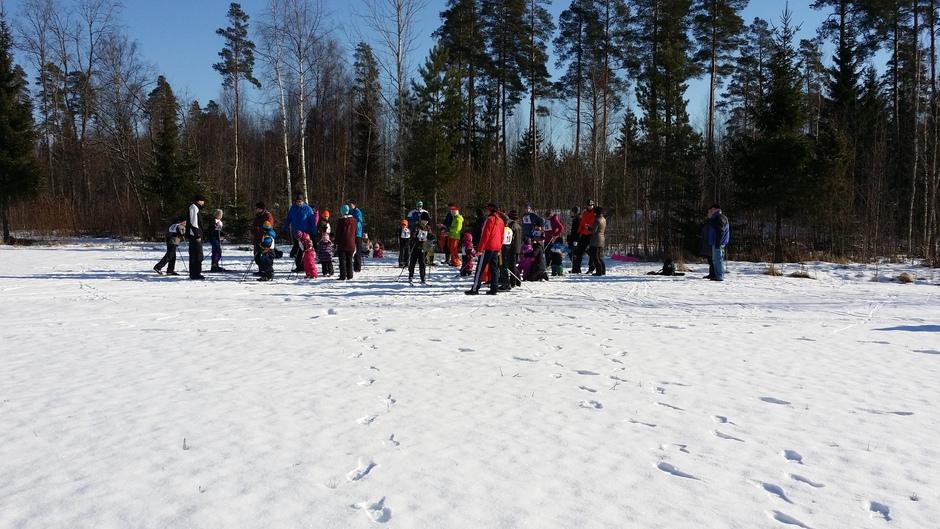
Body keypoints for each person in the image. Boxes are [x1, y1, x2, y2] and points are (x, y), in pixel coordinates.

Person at [466, 203, 505, 295]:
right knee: (494, 268)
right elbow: (502, 236)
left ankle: (475, 289)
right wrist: (499, 247)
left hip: (487, 247)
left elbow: (485, 235)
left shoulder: (490, 219)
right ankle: (494, 288)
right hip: (496, 247)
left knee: (480, 268)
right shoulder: (501, 221)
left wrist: (480, 248)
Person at [284, 193, 318, 273]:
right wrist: (285, 227)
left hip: (305, 234)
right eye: (297, 201)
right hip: (296, 233)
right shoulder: (293, 208)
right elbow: (288, 218)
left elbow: (312, 222)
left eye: (300, 201)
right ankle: (299, 266)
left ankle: (306, 266)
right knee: (298, 249)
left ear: (303, 201)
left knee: (306, 250)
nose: (298, 203)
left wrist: (313, 232)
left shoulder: (308, 209)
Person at [408, 215, 435, 284]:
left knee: (422, 263)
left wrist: (431, 236)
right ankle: (410, 276)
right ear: (421, 220)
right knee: (413, 262)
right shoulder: (416, 226)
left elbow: (430, 235)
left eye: (427, 221)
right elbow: (412, 234)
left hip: (423, 247)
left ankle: (423, 278)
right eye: (424, 220)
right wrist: (415, 237)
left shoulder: (428, 227)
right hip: (415, 246)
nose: (426, 222)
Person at [706, 204, 730, 281]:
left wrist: (717, 243)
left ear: (715, 209)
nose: (710, 211)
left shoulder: (718, 217)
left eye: (711, 210)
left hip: (718, 242)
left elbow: (720, 231)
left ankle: (719, 276)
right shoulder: (720, 217)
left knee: (717, 260)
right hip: (718, 242)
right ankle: (718, 276)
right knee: (716, 259)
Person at [186, 195, 206, 280]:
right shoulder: (194, 207)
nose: (203, 203)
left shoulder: (194, 207)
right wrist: (197, 234)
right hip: (194, 236)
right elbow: (193, 222)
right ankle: (195, 273)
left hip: (194, 235)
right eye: (203, 201)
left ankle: (195, 273)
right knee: (197, 255)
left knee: (196, 254)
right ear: (199, 201)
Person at [571, 201, 595, 274]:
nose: (590, 207)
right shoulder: (584, 213)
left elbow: (595, 224)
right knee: (579, 251)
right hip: (584, 234)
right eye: (588, 205)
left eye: (591, 205)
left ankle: (591, 267)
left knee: (592, 252)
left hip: (592, 234)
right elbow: (582, 224)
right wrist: (578, 234)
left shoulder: (594, 213)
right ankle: (577, 269)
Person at [335, 204, 358, 280]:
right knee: (349, 260)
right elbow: (356, 232)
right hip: (351, 243)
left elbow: (338, 233)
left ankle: (343, 275)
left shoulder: (341, 221)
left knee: (342, 260)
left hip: (342, 243)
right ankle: (350, 275)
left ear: (342, 211)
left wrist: (336, 243)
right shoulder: (354, 220)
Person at [252, 202, 275, 271]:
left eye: (257, 208)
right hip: (257, 238)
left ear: (261, 209)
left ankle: (267, 271)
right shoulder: (258, 215)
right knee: (257, 256)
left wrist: (259, 229)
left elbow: (268, 227)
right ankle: (261, 270)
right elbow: (254, 225)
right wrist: (253, 229)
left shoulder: (267, 215)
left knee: (266, 256)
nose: (256, 209)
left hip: (264, 238)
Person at [503, 210, 522, 289]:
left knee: (511, 266)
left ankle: (513, 282)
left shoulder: (511, 226)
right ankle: (516, 281)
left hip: (511, 248)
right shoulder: (518, 225)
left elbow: (510, 238)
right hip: (517, 248)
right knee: (513, 266)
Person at [588, 206, 607, 276]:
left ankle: (599, 271)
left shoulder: (597, 220)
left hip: (596, 240)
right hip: (601, 239)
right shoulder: (603, 219)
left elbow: (593, 230)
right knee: (599, 257)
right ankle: (603, 270)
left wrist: (588, 228)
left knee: (595, 257)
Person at [347, 199, 365, 272]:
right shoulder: (350, 211)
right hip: (351, 234)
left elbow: (359, 221)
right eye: (349, 204)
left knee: (357, 250)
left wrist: (353, 223)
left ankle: (357, 267)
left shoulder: (357, 211)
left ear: (354, 204)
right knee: (352, 250)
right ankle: (352, 266)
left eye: (350, 204)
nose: (349, 205)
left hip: (357, 234)